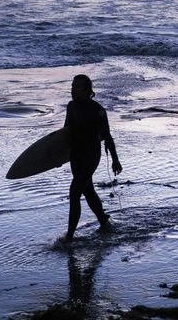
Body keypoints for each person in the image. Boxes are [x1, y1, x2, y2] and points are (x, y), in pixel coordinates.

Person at [62, 74, 122, 241]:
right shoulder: (71, 106)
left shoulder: (97, 110)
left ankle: (69, 237)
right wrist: (58, 157)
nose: (72, 89)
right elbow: (66, 133)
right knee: (88, 191)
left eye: (77, 86)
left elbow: (107, 136)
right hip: (76, 155)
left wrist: (115, 160)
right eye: (72, 86)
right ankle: (103, 220)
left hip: (91, 155)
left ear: (87, 90)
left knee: (74, 193)